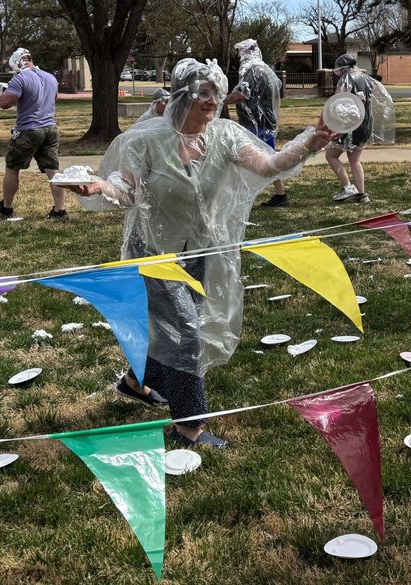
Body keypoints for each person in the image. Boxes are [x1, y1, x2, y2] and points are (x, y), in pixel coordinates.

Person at [68, 58, 334, 448]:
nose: (212, 100)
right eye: (203, 92)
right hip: (154, 254)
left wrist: (310, 141)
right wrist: (98, 189)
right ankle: (188, 427)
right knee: (186, 334)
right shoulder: (145, 141)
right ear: (182, 94)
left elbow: (269, 166)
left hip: (201, 252)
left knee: (171, 327)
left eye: (216, 92)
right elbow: (125, 189)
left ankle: (135, 382)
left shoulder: (225, 136)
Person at [0, 48, 68, 219]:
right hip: (50, 129)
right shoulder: (50, 78)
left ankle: (6, 207)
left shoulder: (21, 78)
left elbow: (5, 103)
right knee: (53, 169)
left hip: (28, 129)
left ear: (18, 63)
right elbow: (52, 99)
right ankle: (59, 210)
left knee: (12, 167)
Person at [224, 39, 288, 207]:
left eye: (241, 54)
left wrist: (221, 101)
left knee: (248, 157)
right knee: (268, 157)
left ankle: (243, 196)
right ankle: (280, 194)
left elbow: (241, 94)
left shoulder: (252, 71)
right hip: (267, 121)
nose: (240, 57)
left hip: (256, 123)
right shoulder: (266, 69)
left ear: (246, 53)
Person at [326, 54, 395, 204]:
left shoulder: (346, 80)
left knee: (331, 156)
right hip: (364, 125)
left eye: (338, 72)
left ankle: (347, 187)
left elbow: (339, 103)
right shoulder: (366, 79)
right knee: (355, 160)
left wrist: (334, 127)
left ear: (343, 69)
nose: (338, 75)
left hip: (349, 126)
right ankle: (362, 194)